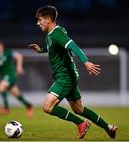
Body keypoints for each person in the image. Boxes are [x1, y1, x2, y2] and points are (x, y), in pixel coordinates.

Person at [29, 5, 117, 139]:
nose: (38, 23)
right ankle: (108, 127)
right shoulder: (52, 34)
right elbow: (52, 47)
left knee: (47, 107)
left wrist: (86, 61)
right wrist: (40, 50)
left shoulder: (57, 33)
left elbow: (73, 45)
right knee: (78, 109)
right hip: (69, 75)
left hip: (65, 76)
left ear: (48, 19)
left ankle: (81, 123)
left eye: (40, 20)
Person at [0, 41, 34, 117]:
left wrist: (19, 67)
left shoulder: (7, 53)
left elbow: (19, 56)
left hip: (11, 75)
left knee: (1, 87)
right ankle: (29, 106)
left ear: (2, 47)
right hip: (5, 77)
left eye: (0, 46)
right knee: (16, 94)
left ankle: (6, 108)